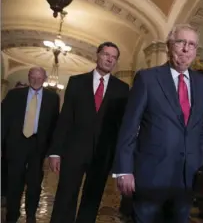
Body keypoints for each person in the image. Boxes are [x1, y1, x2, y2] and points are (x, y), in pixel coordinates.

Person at [113, 24, 203, 223]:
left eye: (191, 44)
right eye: (181, 42)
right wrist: (124, 169)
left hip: (186, 179)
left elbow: (201, 128)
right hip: (151, 176)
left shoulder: (202, 83)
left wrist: (200, 165)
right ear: (168, 46)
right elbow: (130, 126)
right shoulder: (148, 78)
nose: (186, 49)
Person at [48, 42, 129, 223]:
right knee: (65, 196)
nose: (109, 59)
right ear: (97, 55)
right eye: (106, 54)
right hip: (73, 151)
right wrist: (55, 151)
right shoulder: (76, 82)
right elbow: (65, 118)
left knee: (92, 200)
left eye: (113, 57)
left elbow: (120, 127)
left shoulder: (122, 89)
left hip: (102, 155)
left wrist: (118, 159)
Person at [1, 67, 60, 223]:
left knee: (34, 185)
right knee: (14, 183)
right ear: (29, 77)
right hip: (16, 144)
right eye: (33, 77)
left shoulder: (53, 98)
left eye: (40, 78)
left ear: (45, 79)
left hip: (38, 147)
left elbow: (55, 125)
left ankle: (31, 216)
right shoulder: (14, 95)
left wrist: (53, 151)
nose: (36, 80)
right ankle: (11, 216)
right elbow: (3, 121)